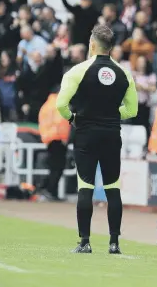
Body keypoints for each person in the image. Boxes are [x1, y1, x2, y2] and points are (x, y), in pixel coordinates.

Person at [56, 25, 138, 254]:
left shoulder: (78, 71)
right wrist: (111, 116)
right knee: (113, 187)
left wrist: (73, 118)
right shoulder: (124, 73)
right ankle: (114, 243)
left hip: (86, 133)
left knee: (86, 186)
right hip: (112, 134)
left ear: (92, 45)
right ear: (111, 47)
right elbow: (132, 110)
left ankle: (85, 242)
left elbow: (61, 104)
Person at [38, 85, 71, 201]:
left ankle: (47, 190)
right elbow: (61, 122)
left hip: (48, 138)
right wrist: (64, 138)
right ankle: (50, 191)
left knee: (53, 167)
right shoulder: (59, 104)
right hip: (58, 138)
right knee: (58, 168)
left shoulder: (47, 105)